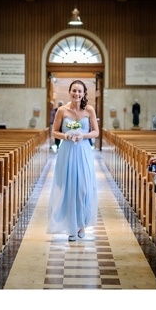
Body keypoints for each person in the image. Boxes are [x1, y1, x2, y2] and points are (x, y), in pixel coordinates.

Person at [48, 80, 99, 241]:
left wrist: (83, 135)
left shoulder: (89, 110)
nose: (77, 94)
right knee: (69, 187)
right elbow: (54, 132)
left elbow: (96, 132)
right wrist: (67, 136)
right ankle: (71, 227)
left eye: (80, 91)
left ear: (84, 94)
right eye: (74, 91)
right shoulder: (62, 111)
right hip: (67, 150)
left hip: (83, 150)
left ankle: (82, 223)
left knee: (83, 188)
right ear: (70, 92)